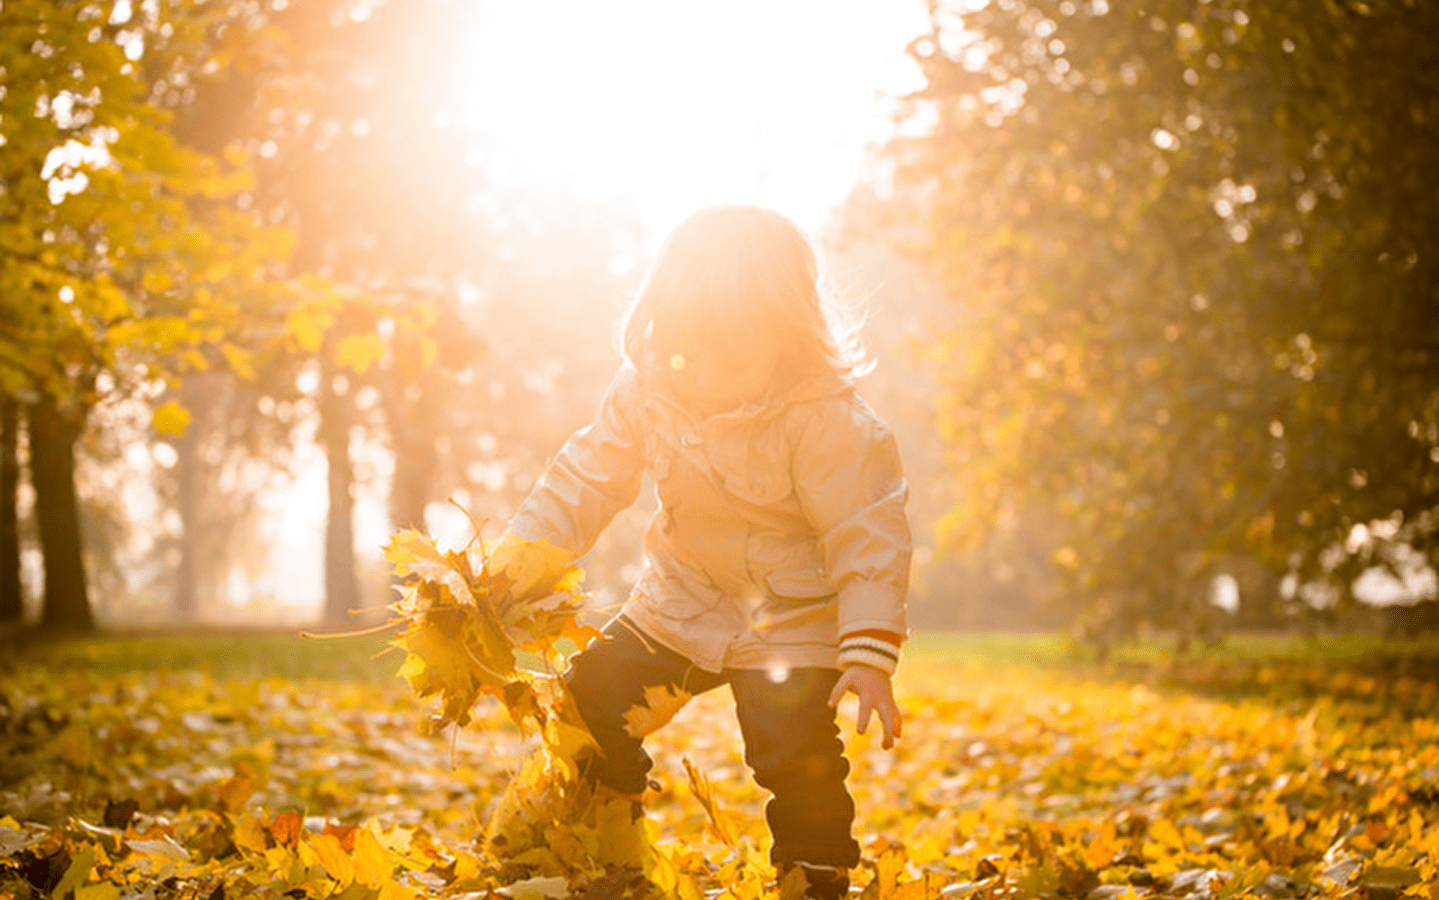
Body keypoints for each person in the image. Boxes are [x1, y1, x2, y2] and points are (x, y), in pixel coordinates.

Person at [495, 204, 911, 900]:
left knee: (792, 752)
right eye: (688, 355)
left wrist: (868, 650)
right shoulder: (649, 388)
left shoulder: (827, 422)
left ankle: (816, 874)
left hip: (792, 619)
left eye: (736, 361)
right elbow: (584, 480)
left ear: (790, 336)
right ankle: (608, 834)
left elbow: (866, 536)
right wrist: (512, 570)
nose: (706, 379)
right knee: (590, 695)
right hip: (681, 600)